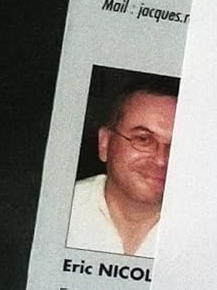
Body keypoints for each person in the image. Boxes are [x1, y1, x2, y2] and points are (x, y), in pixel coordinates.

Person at [67, 78, 179, 258]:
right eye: (144, 139)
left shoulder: (206, 231)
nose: (161, 160)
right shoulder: (57, 210)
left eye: (176, 145)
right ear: (105, 143)